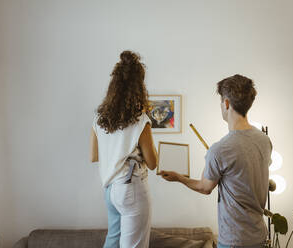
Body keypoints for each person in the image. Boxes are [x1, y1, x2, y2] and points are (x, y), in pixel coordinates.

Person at [160, 74, 272, 248]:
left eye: (221, 101)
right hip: (259, 237)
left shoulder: (220, 149)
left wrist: (178, 178)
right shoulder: (264, 140)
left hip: (234, 241)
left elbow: (205, 188)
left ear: (226, 103)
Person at [90, 51, 158, 248]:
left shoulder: (99, 118)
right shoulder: (140, 119)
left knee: (112, 241)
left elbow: (93, 155)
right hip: (130, 188)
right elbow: (153, 163)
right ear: (139, 86)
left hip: (110, 189)